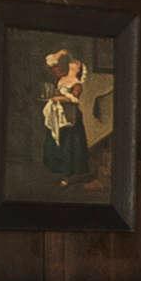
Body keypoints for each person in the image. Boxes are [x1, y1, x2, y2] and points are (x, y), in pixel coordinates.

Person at [40, 48, 91, 182]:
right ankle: (58, 169)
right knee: (57, 141)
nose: (71, 67)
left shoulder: (77, 84)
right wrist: (61, 54)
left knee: (71, 143)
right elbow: (51, 63)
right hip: (59, 116)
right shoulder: (62, 79)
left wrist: (57, 98)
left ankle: (71, 174)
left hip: (71, 117)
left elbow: (74, 99)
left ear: (78, 71)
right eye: (70, 65)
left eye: (75, 67)